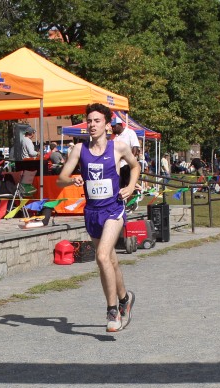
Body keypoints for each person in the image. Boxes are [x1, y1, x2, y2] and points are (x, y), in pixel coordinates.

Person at [57, 103, 140, 333]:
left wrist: (130, 186)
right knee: (110, 261)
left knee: (102, 256)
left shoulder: (118, 147)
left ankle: (112, 311)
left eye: (97, 121)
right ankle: (125, 299)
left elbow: (135, 167)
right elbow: (61, 178)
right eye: (89, 121)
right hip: (92, 212)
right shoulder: (78, 150)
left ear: (106, 124)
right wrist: (71, 179)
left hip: (113, 209)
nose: (92, 125)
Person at [111, 114, 140, 189]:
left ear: (120, 125)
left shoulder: (130, 133)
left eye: (114, 126)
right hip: (117, 166)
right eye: (112, 127)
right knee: (118, 187)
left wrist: (130, 161)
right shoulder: (113, 136)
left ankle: (135, 193)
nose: (113, 128)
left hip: (127, 165)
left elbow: (135, 147)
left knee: (129, 186)